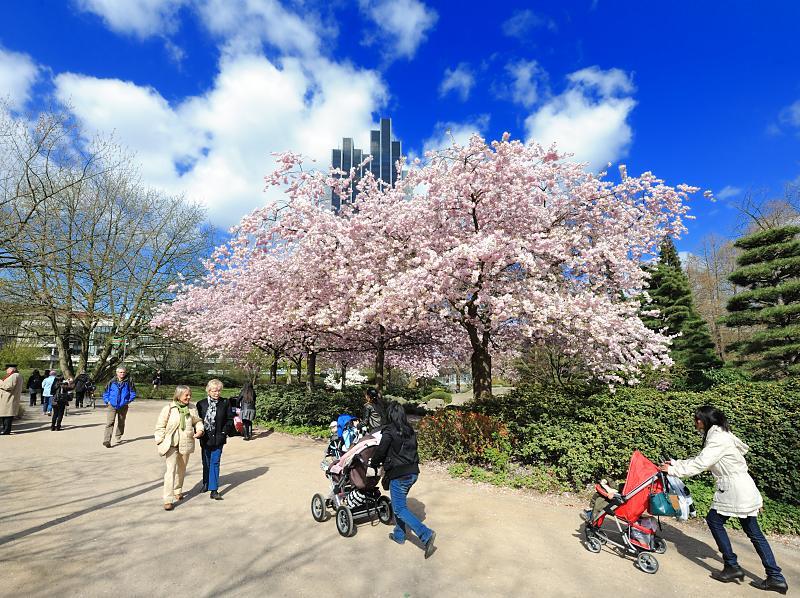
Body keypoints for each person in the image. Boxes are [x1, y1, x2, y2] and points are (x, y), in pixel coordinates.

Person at [661, 406, 788, 594]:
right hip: (743, 487)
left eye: (697, 419)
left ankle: (733, 566)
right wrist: (677, 464)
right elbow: (704, 459)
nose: (695, 422)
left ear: (705, 420)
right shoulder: (720, 435)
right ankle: (774, 576)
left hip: (735, 489)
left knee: (715, 521)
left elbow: (702, 463)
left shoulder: (718, 439)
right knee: (753, 532)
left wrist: (673, 470)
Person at [368, 401, 436, 559]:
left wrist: (373, 463)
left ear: (389, 415)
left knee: (398, 509)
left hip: (400, 475)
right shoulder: (409, 429)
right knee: (400, 504)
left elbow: (380, 451)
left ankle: (426, 534)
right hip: (413, 473)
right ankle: (399, 534)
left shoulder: (389, 431)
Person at [154, 385, 204, 511]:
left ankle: (178, 490)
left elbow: (197, 421)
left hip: (186, 442)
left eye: (190, 394)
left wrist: (200, 430)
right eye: (186, 395)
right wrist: (160, 441)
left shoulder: (192, 408)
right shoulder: (169, 409)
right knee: (170, 471)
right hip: (171, 444)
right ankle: (167, 499)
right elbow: (160, 426)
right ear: (178, 395)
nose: (189, 397)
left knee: (182, 469)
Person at [196, 379, 229, 500]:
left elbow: (229, 419)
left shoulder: (225, 403)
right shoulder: (201, 404)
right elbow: (197, 421)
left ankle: (214, 489)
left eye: (219, 390)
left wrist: (224, 432)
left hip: (219, 437)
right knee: (206, 462)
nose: (217, 393)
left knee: (215, 462)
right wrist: (198, 432)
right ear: (208, 391)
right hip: (205, 437)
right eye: (214, 390)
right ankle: (206, 483)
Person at [102, 366, 136, 448]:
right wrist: (107, 401)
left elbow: (133, 393)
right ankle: (107, 440)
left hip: (123, 406)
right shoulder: (112, 381)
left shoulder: (129, 381)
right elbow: (106, 392)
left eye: (124, 372)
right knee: (110, 422)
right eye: (120, 372)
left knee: (121, 422)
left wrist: (127, 401)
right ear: (117, 373)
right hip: (112, 405)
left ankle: (118, 436)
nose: (122, 374)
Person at [0, 364, 23, 435]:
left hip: (9, 398)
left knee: (7, 415)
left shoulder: (14, 376)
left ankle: (6, 431)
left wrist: (0, 382)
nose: (6, 370)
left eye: (7, 369)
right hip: (9, 398)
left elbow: (9, 386)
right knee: (6, 415)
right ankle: (5, 429)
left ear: (12, 369)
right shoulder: (16, 375)